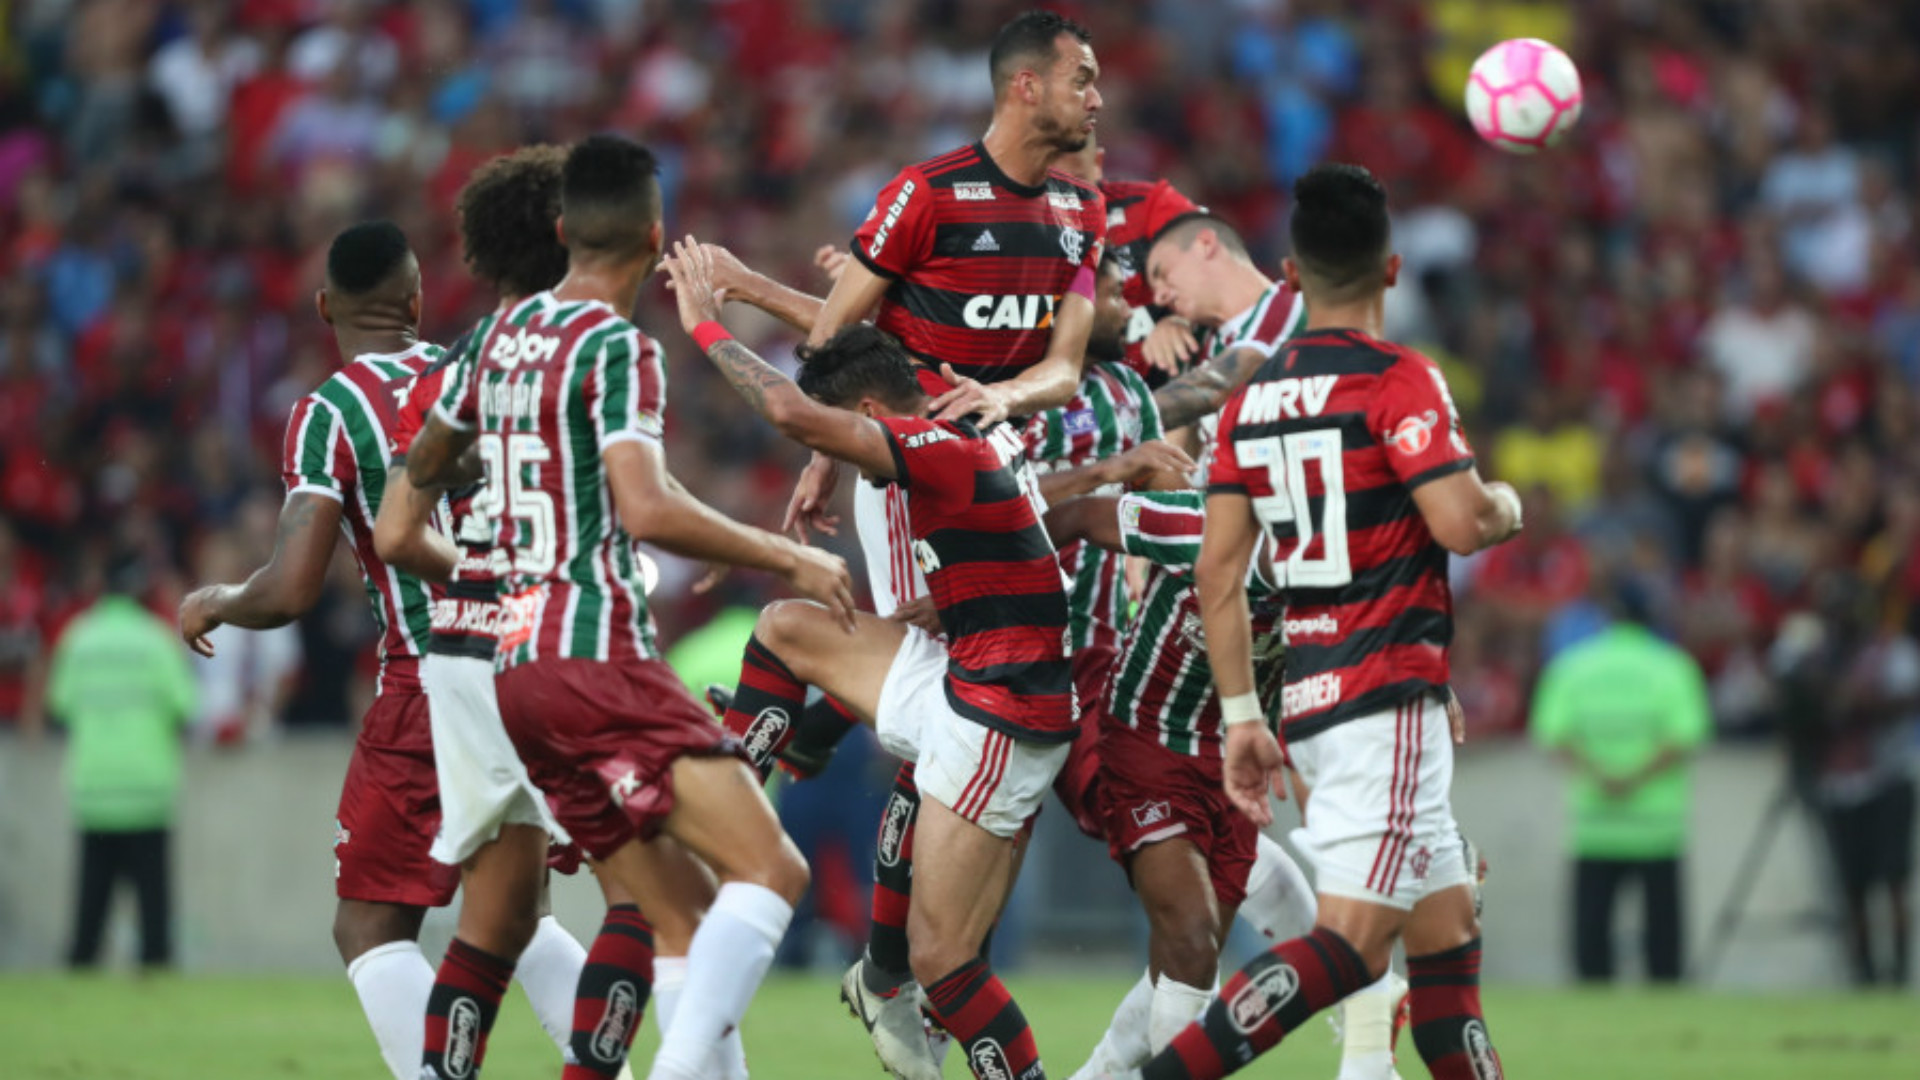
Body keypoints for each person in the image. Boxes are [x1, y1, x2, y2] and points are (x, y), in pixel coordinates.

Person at [406, 134, 850, 1080]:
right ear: (656, 236)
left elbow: (425, 468)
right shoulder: (618, 344)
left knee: (681, 920)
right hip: (594, 650)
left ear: (565, 230)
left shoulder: (499, 339)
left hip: (516, 670)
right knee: (773, 873)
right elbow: (645, 506)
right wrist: (783, 557)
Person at [1116, 163, 1524, 1080]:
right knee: (1348, 947)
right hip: (1387, 694)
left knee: (1447, 938)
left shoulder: (1250, 396)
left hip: (1308, 700)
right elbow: (1460, 524)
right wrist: (1504, 502)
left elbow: (1219, 572)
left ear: (1291, 276)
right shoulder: (1400, 377)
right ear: (1391, 270)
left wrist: (1243, 718)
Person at [176, 221, 591, 1080]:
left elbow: (291, 588)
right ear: (415, 300)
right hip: (536, 661)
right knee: (521, 909)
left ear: (325, 307)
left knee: (368, 924)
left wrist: (217, 598)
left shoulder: (328, 411)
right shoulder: (478, 371)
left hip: (432, 674)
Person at [666, 237, 1075, 1080]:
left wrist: (709, 322)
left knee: (949, 965)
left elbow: (789, 410)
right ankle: (732, 805)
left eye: (848, 438)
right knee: (786, 626)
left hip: (999, 712)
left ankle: (891, 980)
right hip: (982, 680)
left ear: (871, 418)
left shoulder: (936, 446)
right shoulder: (957, 413)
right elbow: (847, 353)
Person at [371, 145, 667, 1080]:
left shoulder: (477, 352)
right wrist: (531, 573)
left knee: (496, 920)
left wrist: (483, 568)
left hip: (457, 652)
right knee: (646, 894)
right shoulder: (583, 345)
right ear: (567, 234)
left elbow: (393, 532)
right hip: (557, 644)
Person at [1530, 582, 1711, 984]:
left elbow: (1552, 734)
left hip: (1595, 824)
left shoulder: (1573, 665)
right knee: (1664, 954)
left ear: (1606, 618)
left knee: (1591, 950)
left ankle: (1593, 1028)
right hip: (1657, 827)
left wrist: (1602, 776)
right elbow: (1686, 737)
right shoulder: (1673, 666)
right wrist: (1634, 778)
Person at [50, 552, 196, 970]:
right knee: (153, 921)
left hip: (94, 787)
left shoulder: (79, 637)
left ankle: (76, 992)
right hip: (147, 789)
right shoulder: (156, 639)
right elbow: (186, 704)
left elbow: (58, 703)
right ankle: (155, 992)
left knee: (88, 915)